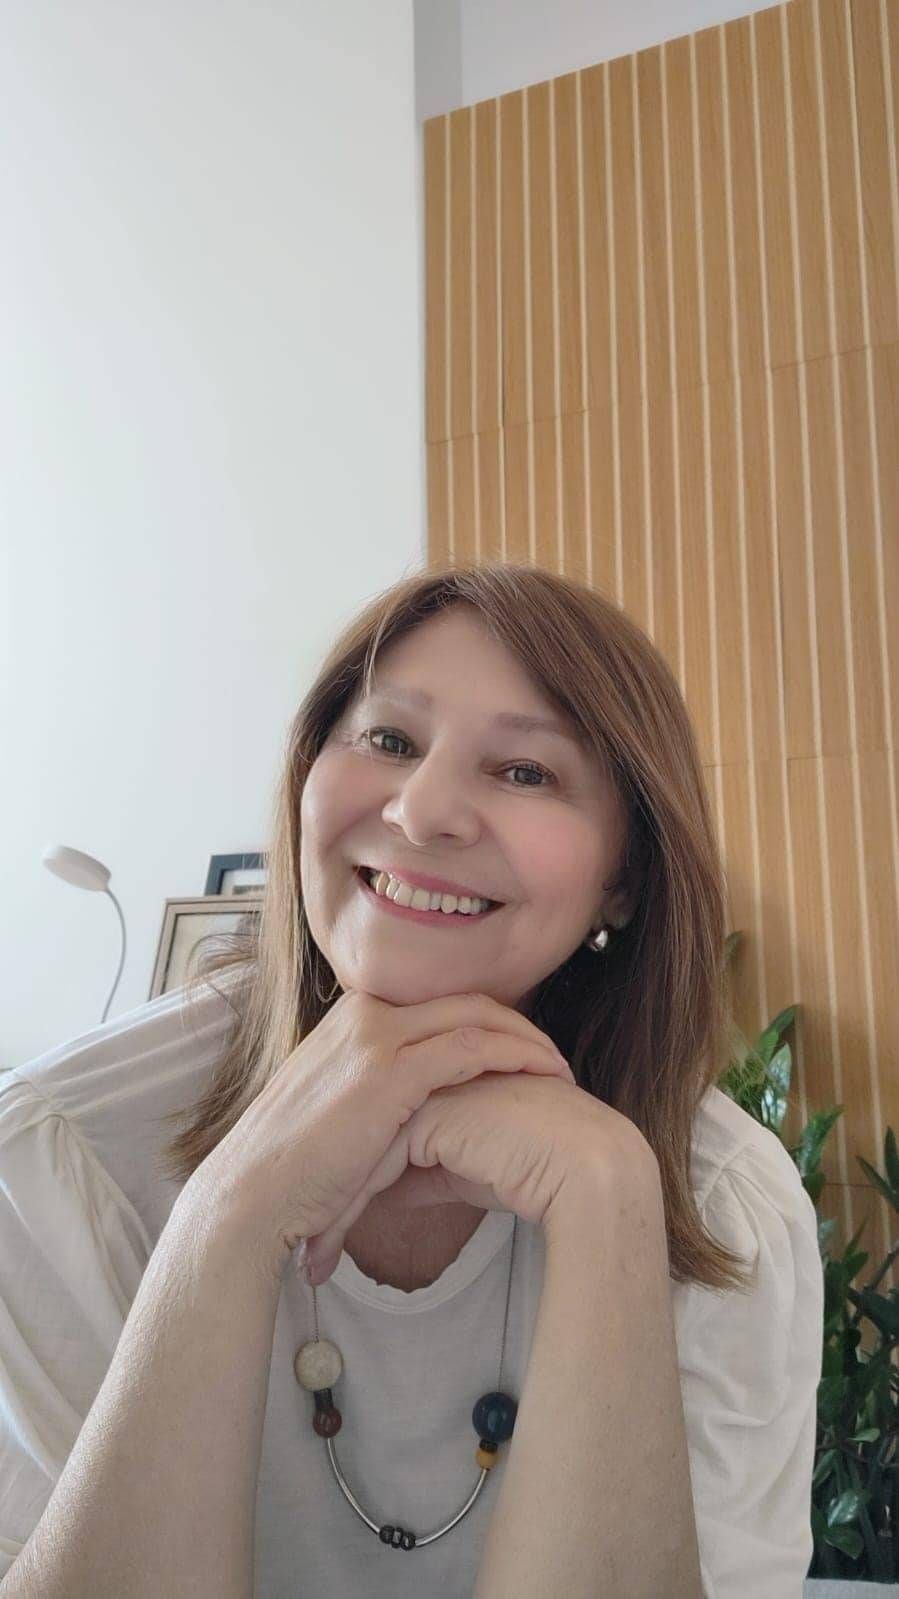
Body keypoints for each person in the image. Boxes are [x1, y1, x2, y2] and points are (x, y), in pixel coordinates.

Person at [0, 562, 823, 1596]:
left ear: (624, 877)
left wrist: (605, 1195)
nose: (422, 810)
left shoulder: (724, 1205)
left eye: (524, 771)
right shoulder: (63, 1158)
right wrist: (229, 1216)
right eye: (388, 740)